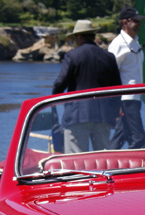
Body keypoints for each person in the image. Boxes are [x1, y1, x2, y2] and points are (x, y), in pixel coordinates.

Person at [52, 19, 122, 153]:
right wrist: (114, 114)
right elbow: (117, 89)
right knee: (103, 159)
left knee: (76, 161)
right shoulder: (109, 57)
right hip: (103, 116)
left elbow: (60, 83)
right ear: (93, 36)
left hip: (77, 115)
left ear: (79, 36)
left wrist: (54, 99)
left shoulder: (72, 56)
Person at [108, 7, 145, 149]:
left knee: (121, 136)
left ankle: (106, 164)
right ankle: (133, 168)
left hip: (136, 98)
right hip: (126, 99)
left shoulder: (135, 42)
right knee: (138, 138)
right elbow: (111, 72)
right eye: (136, 21)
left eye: (139, 21)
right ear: (125, 22)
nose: (139, 24)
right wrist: (115, 102)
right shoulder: (117, 44)